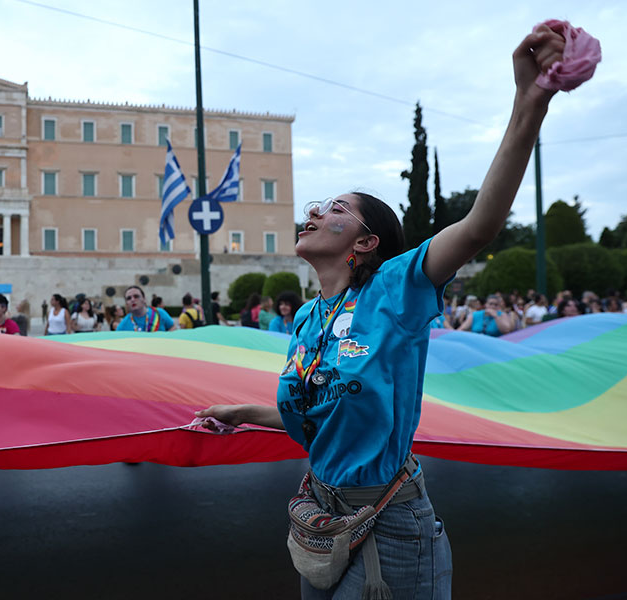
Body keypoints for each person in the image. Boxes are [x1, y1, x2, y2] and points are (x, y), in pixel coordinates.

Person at [197, 25, 570, 598]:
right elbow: (318, 418)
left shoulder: (396, 289)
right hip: (320, 520)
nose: (314, 212)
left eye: (335, 209)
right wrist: (241, 410)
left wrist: (529, 103)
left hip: (390, 526)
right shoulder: (307, 318)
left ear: (366, 243)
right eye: (317, 206)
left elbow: (479, 226)